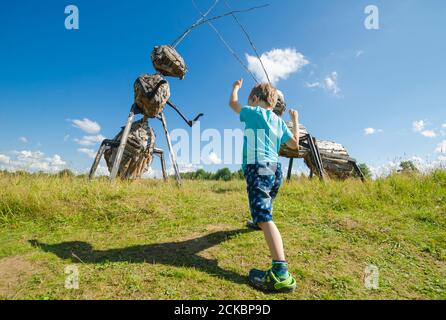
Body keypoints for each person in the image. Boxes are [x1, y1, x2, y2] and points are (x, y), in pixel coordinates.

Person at [228, 78, 300, 293]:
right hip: (275, 168)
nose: (248, 102)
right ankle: (258, 220)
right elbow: (294, 145)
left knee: (264, 217)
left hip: (258, 166)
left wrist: (235, 88)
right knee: (265, 202)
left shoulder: (254, 113)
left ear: (255, 99)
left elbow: (232, 103)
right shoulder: (278, 121)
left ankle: (280, 273)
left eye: (250, 99)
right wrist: (295, 119)